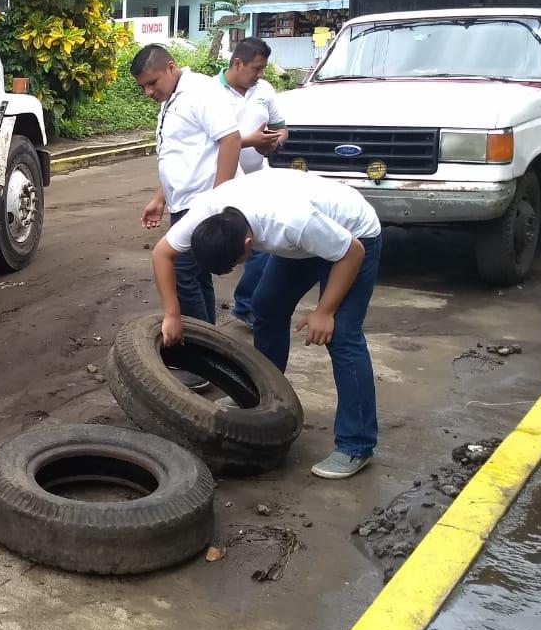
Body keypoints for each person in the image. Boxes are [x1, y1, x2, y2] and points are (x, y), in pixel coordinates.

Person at [151, 168, 382, 480]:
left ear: (249, 242)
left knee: (341, 334)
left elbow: (351, 252)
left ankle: (357, 445)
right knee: (266, 308)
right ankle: (261, 395)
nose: (237, 268)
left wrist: (324, 311)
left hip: (354, 236)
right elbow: (162, 254)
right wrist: (172, 314)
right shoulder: (205, 215)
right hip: (307, 240)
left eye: (236, 264)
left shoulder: (289, 221)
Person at [132, 42, 242, 327]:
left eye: (152, 82)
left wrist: (217, 202)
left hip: (204, 203)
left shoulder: (200, 91)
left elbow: (230, 140)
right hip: (184, 203)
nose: (148, 92)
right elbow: (179, 155)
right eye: (143, 86)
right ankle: (211, 344)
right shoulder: (171, 98)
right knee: (196, 274)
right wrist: (160, 198)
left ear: (171, 67)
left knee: (180, 272)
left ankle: (200, 351)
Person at [216, 38, 288, 328]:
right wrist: (249, 141)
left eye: (263, 68)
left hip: (258, 181)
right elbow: (212, 141)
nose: (259, 74)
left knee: (261, 246)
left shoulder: (265, 90)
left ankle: (245, 305)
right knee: (231, 246)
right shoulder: (210, 91)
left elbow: (282, 128)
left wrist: (273, 143)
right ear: (237, 63)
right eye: (256, 68)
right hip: (224, 181)